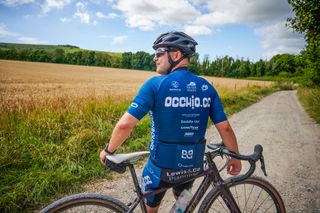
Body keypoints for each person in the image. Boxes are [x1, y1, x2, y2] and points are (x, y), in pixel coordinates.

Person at [100, 31, 241, 213]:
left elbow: (125, 125)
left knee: (150, 209)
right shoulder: (206, 87)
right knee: (181, 205)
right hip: (191, 167)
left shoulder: (155, 85)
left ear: (175, 54)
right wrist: (235, 156)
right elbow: (226, 128)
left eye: (159, 53)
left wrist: (108, 151)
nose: (154, 58)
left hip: (160, 168)